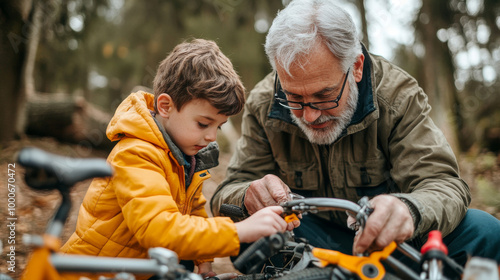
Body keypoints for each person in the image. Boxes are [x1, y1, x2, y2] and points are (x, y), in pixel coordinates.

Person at [210, 0, 500, 268]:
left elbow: (444, 184)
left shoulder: (397, 96)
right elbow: (226, 194)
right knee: (248, 236)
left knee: (484, 232)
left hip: (392, 244)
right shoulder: (264, 103)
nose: (310, 115)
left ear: (356, 67)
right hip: (309, 244)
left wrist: (407, 209)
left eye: (324, 95)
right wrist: (247, 194)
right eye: (294, 98)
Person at [61, 39, 292, 280]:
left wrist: (204, 262)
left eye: (219, 127)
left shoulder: (184, 155)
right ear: (165, 106)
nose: (211, 136)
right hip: (91, 274)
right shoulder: (136, 154)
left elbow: (193, 210)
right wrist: (238, 231)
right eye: (203, 123)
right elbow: (158, 229)